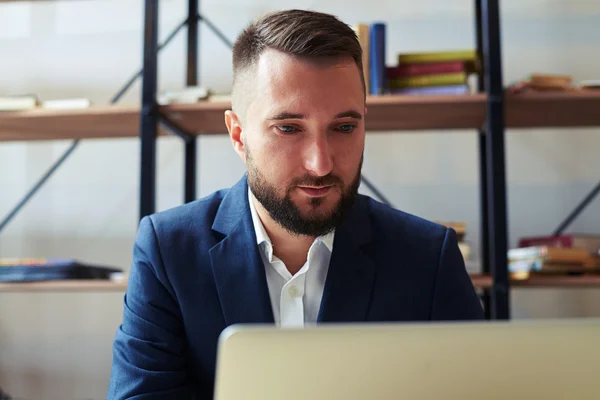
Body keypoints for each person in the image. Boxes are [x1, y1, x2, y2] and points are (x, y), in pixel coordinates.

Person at [107, 8, 484, 399]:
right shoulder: (168, 251)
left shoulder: (428, 258)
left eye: (344, 127)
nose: (320, 163)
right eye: (288, 128)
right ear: (238, 135)